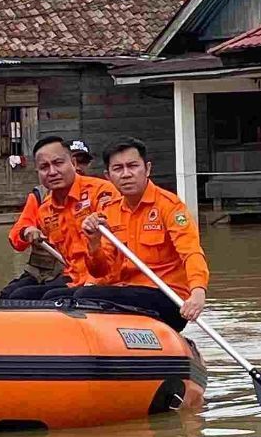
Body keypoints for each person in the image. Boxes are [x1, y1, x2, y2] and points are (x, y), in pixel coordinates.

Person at [84, 138, 209, 322]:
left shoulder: (169, 206)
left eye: (133, 166)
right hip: (126, 291)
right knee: (55, 297)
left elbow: (191, 252)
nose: (126, 174)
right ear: (108, 176)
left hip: (166, 295)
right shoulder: (109, 211)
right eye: (118, 169)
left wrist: (198, 291)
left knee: (82, 296)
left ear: (147, 169)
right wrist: (94, 242)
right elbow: (100, 272)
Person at [8, 134, 117, 285]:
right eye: (45, 167)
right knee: (14, 295)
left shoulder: (101, 191)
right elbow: (16, 238)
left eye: (83, 162)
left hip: (95, 277)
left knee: (51, 296)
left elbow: (112, 250)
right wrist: (27, 231)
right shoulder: (42, 202)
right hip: (54, 273)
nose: (79, 167)